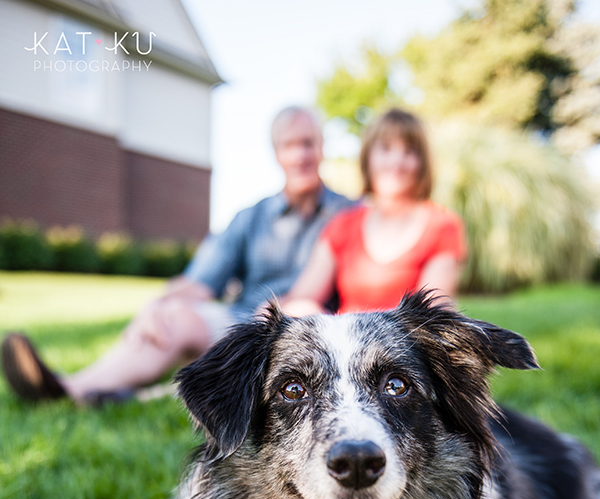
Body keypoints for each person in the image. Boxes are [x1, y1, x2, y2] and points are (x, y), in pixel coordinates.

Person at [1, 106, 352, 404]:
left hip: (310, 330)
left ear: (321, 147)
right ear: (277, 154)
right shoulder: (250, 217)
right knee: (175, 316)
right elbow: (199, 282)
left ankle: (121, 392)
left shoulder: (350, 216)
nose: (300, 155)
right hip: (243, 324)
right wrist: (158, 305)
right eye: (289, 145)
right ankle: (69, 388)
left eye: (308, 143)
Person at [280, 108, 466, 318]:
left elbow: (432, 317)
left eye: (410, 151)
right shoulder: (342, 225)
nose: (397, 161)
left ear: (422, 163)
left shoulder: (442, 226)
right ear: (368, 157)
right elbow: (303, 297)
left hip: (405, 348)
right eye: (385, 148)